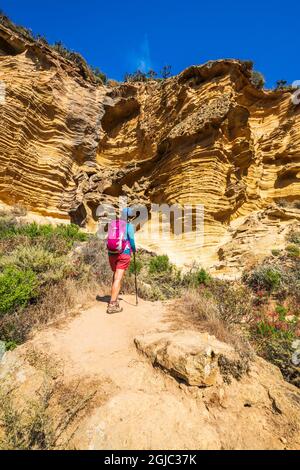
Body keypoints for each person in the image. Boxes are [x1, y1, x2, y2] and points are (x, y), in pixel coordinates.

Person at [106, 208, 136, 314]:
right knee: (118, 278)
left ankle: (114, 297)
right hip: (124, 253)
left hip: (111, 253)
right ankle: (112, 304)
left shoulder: (113, 224)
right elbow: (131, 240)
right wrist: (134, 250)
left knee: (115, 276)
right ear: (130, 217)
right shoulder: (129, 226)